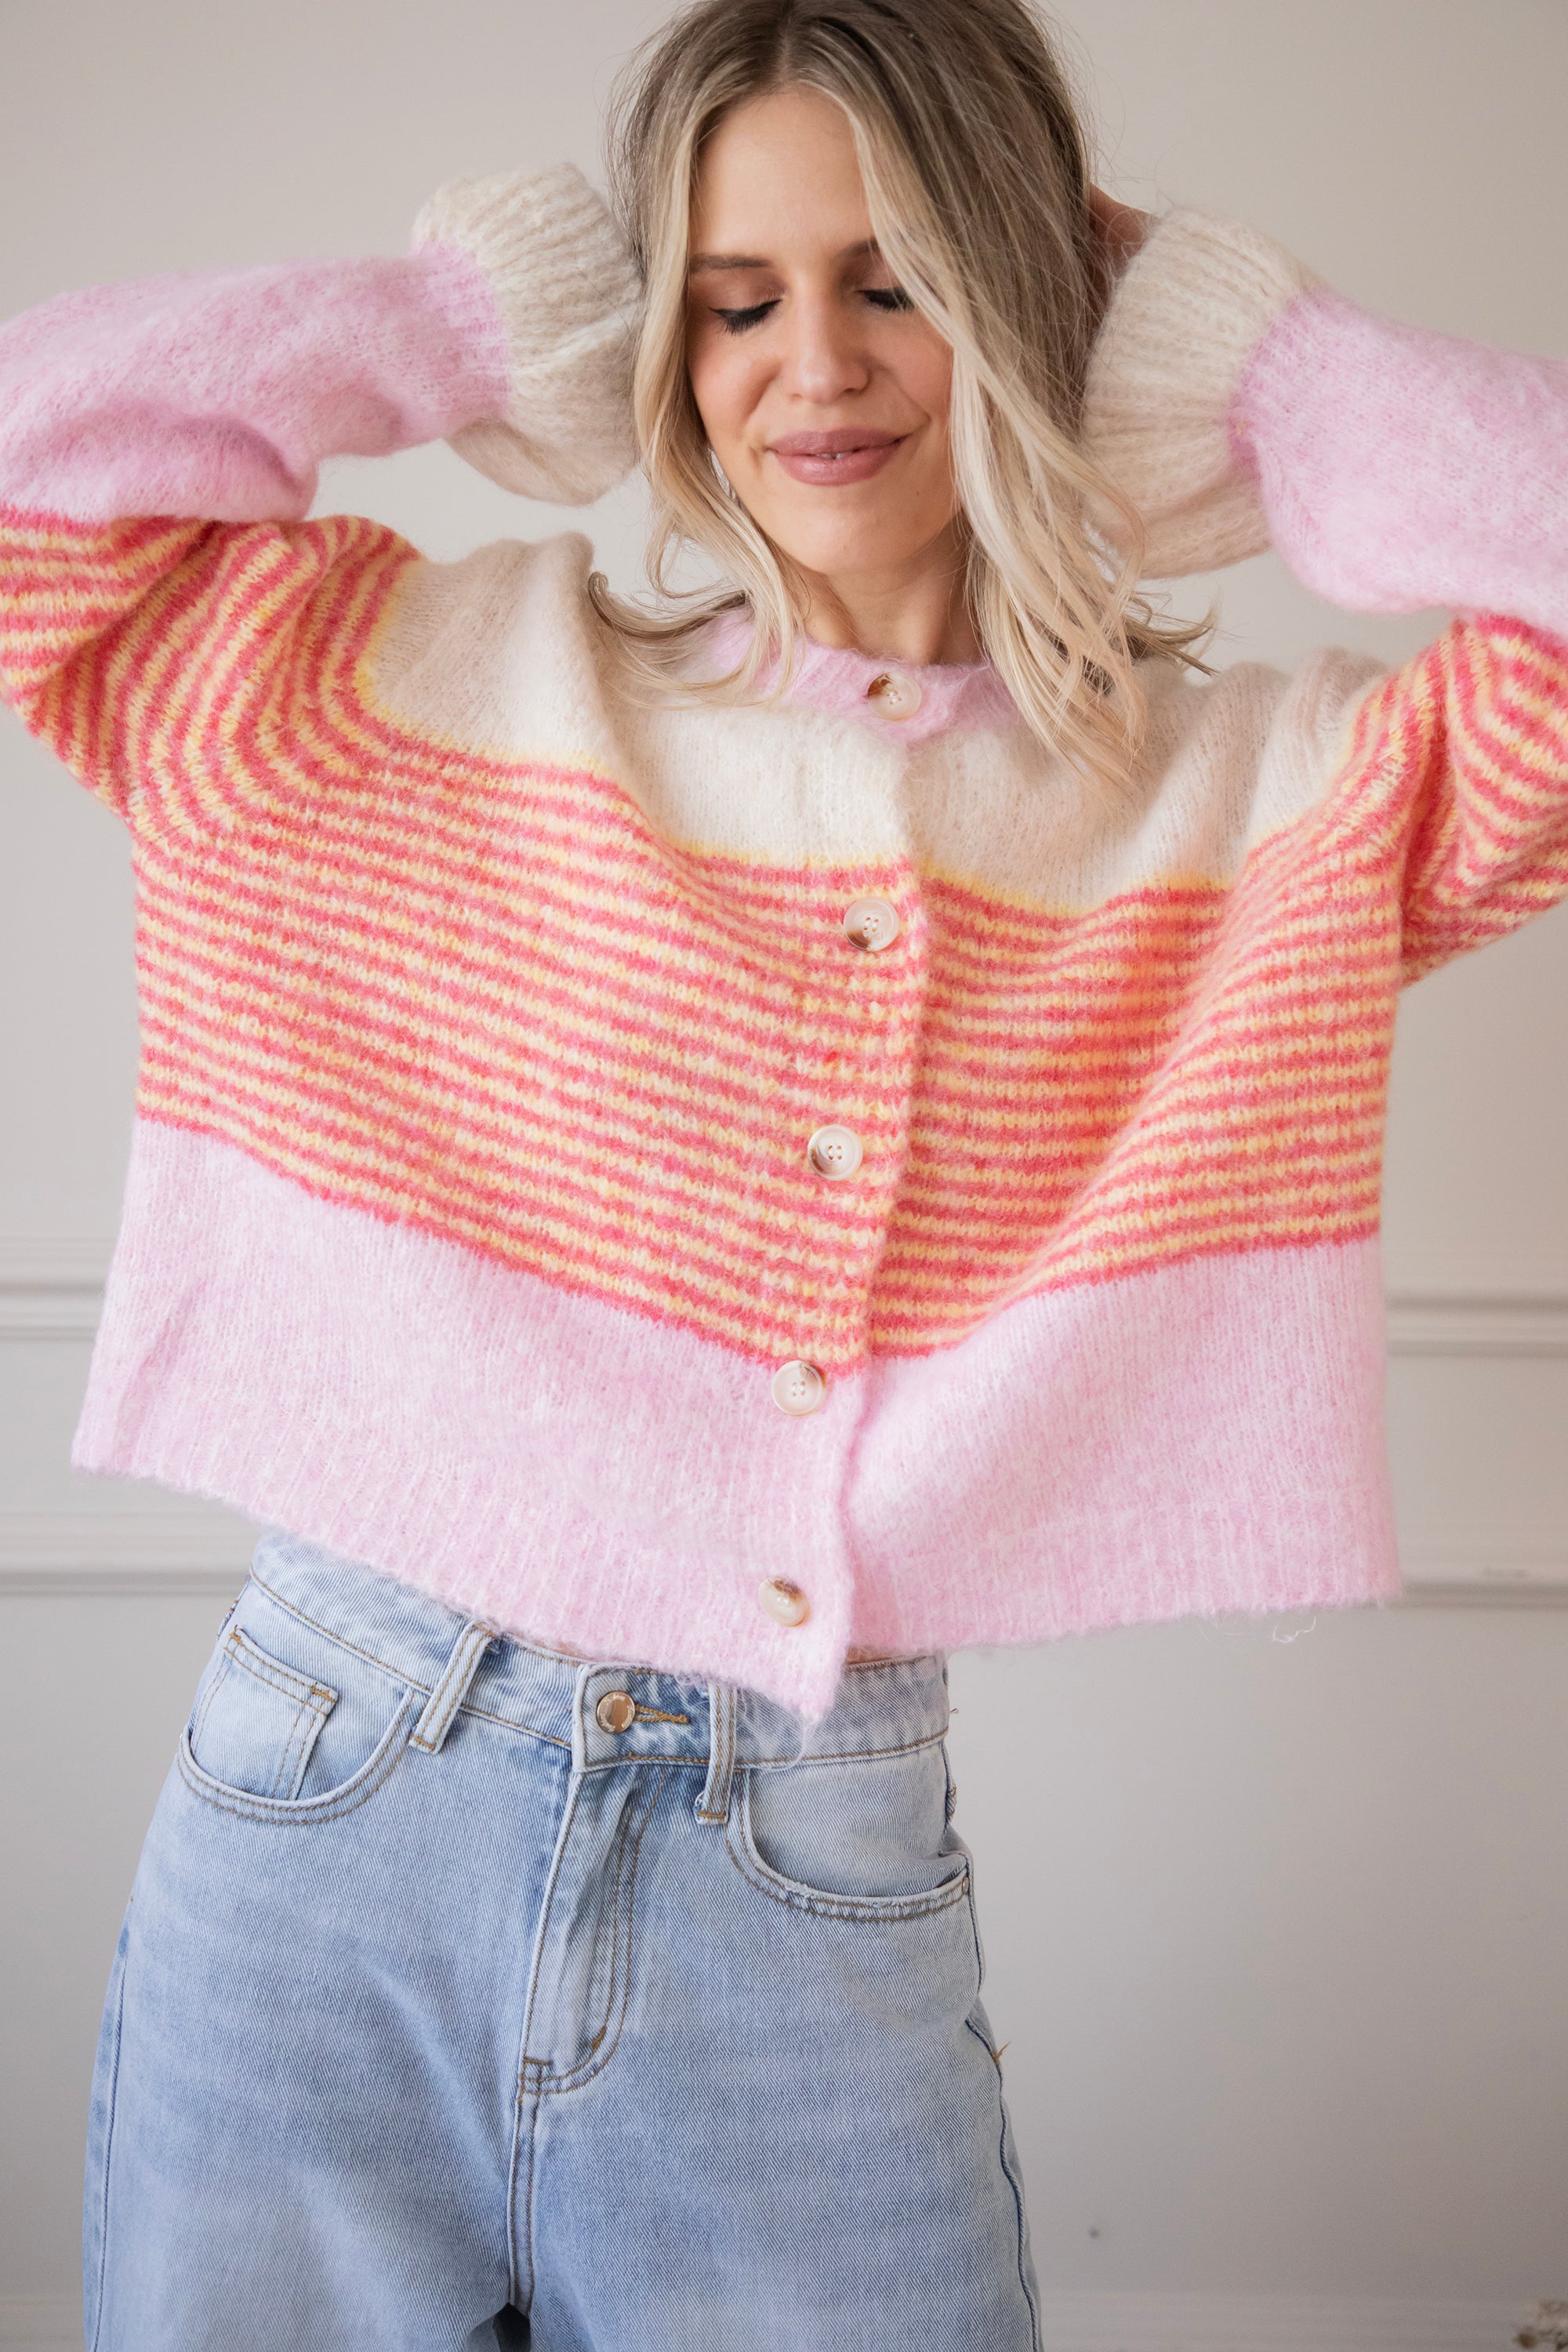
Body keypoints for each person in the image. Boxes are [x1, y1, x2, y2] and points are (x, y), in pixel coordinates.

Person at [2, 0, 1564, 2343]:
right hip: (334, 1802)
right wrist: (450, 325)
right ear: (664, 339)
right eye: (734, 299)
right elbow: (35, 480)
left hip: (806, 1854)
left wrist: (1253, 367)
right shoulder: (397, 680)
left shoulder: (1260, 815)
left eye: (898, 277)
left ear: (1026, 298)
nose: (811, 366)